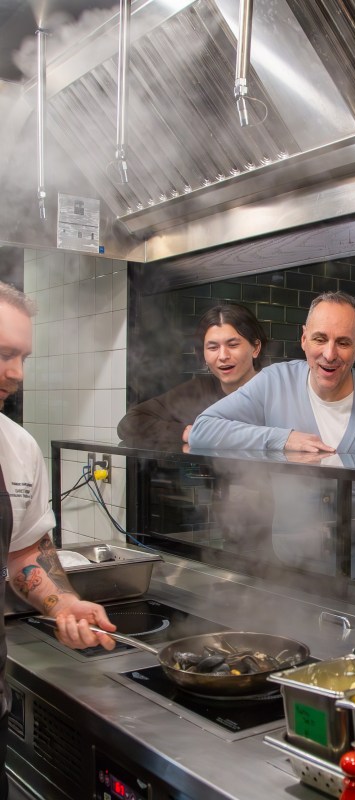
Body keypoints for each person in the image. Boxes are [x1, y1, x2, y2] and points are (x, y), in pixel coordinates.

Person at [0, 282, 116, 799]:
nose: (17, 374)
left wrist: (63, 601)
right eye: (4, 353)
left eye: (23, 357)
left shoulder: (16, 447)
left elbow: (25, 550)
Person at [189, 291, 355, 573]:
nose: (329, 354)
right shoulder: (275, 382)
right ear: (304, 338)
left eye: (344, 342)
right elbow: (203, 429)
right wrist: (281, 438)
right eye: (320, 339)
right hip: (291, 566)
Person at [117, 304, 267, 446]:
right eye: (213, 347)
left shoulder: (275, 387)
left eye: (233, 345)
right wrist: (186, 433)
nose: (223, 356)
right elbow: (129, 424)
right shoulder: (199, 389)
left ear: (255, 348)